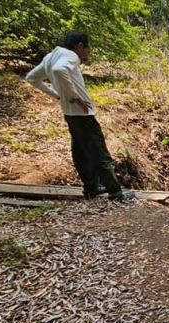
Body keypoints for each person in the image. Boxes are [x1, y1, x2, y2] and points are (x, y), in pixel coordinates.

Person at [25, 32, 135, 201]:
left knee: (81, 153)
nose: (86, 56)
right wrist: (74, 97)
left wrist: (56, 94)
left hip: (70, 114)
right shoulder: (70, 56)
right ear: (80, 46)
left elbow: (32, 78)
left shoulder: (50, 56)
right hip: (83, 115)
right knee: (100, 153)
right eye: (86, 51)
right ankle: (115, 193)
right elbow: (59, 70)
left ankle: (91, 188)